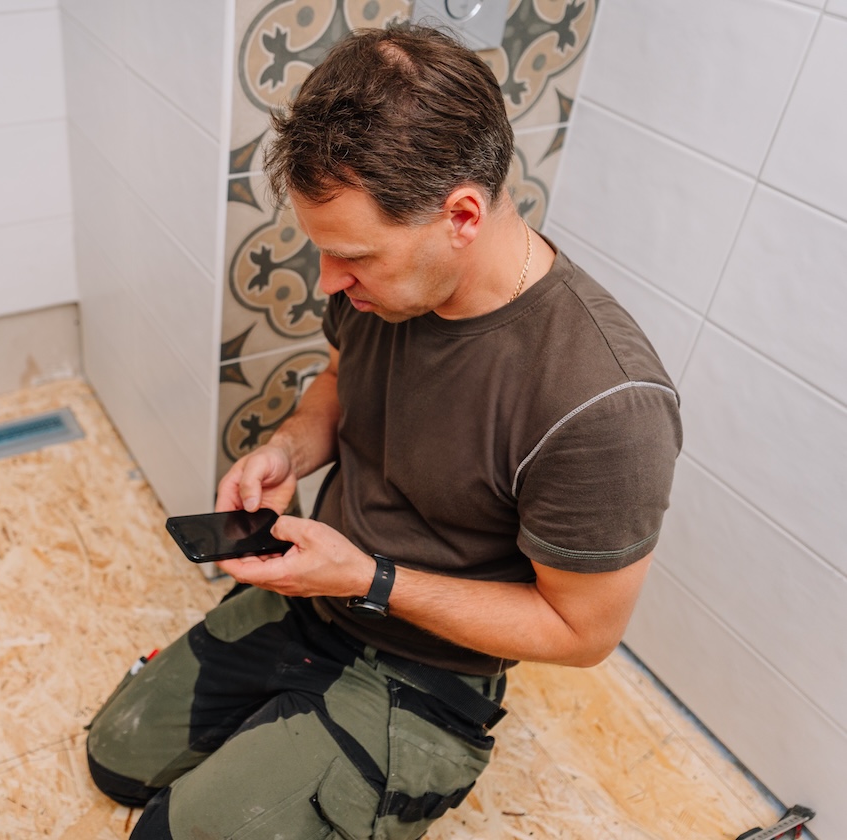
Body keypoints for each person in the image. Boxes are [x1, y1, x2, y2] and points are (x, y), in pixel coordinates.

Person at [85, 23, 682, 840]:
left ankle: (391, 769)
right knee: (113, 757)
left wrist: (368, 578)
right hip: (322, 602)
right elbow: (340, 381)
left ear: (461, 216)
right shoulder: (383, 284)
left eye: (353, 258)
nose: (330, 281)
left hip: (430, 672)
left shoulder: (602, 404)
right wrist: (288, 449)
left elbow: (581, 633)